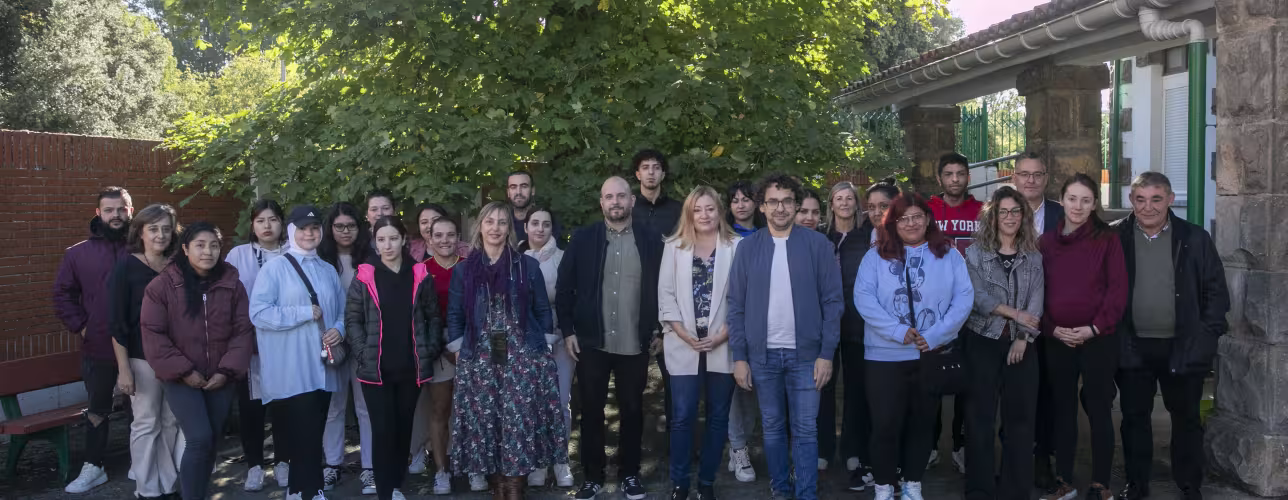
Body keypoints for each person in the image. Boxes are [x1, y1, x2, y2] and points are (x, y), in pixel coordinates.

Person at [1113, 172, 1229, 500]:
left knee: (1187, 419)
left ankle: (1189, 485)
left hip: (1184, 346)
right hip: (1132, 346)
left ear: (1170, 199)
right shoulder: (1114, 237)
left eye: (1156, 199)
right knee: (1134, 419)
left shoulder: (1194, 238)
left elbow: (1216, 294)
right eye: (1140, 199)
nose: (1148, 207)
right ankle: (1137, 484)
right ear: (1131, 201)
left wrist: (1204, 340)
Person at [727, 173, 842, 500]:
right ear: (762, 206)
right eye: (773, 201)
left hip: (807, 357)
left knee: (806, 431)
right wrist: (739, 356)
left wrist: (826, 353)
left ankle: (806, 494)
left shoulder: (818, 245)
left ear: (796, 204)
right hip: (762, 357)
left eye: (787, 201)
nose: (780, 208)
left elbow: (833, 302)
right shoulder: (748, 248)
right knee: (774, 431)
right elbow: (735, 305)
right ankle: (780, 490)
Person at [855, 192, 973, 500]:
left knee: (922, 424)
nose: (911, 223)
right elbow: (863, 298)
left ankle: (912, 483)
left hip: (929, 354)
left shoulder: (948, 254)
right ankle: (883, 486)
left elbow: (964, 299)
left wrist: (935, 335)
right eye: (903, 218)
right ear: (892, 222)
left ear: (928, 219)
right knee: (885, 425)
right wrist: (896, 330)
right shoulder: (875, 256)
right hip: (884, 355)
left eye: (917, 216)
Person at [447, 201, 567, 500]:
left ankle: (514, 487)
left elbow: (542, 309)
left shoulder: (527, 266)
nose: (496, 228)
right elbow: (454, 315)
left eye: (502, 222)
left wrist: (545, 347)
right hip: (480, 356)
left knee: (517, 420)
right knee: (487, 421)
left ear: (509, 229)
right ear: (480, 227)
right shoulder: (465, 270)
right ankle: (497, 484)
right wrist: (459, 349)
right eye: (490, 222)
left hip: (521, 356)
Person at [557, 177, 664, 500]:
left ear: (632, 201)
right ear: (601, 202)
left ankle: (630, 474)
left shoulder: (651, 240)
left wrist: (659, 327)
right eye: (609, 197)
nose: (615, 202)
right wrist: (568, 331)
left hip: (636, 341)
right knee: (591, 411)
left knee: (632, 410)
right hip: (592, 342)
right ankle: (592, 477)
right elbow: (564, 289)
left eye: (621, 196)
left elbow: (664, 288)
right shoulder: (583, 239)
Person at [140, 221, 254, 500]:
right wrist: (184, 371)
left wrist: (226, 371)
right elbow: (154, 334)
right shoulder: (162, 286)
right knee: (199, 438)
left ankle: (198, 493)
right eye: (200, 245)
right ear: (185, 249)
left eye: (214, 245)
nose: (208, 252)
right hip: (181, 378)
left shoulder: (232, 284)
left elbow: (242, 331)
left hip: (220, 377)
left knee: (211, 441)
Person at [1038, 174, 1128, 500]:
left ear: (1094, 205)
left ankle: (1101, 483)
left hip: (1098, 338)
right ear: (1061, 200)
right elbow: (1037, 293)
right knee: (1062, 411)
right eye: (1072, 198)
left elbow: (1117, 291)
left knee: (1099, 408)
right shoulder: (1045, 243)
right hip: (1057, 338)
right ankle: (1064, 481)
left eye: (1086, 200)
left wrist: (1093, 328)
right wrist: (1052, 328)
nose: (1078, 206)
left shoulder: (1108, 240)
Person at [250, 205, 348, 500]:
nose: (310, 233)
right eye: (303, 228)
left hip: (323, 365)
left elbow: (343, 311)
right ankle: (309, 490)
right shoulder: (275, 269)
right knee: (303, 431)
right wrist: (302, 313)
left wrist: (339, 330)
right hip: (291, 368)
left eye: (315, 228)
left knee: (314, 429)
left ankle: (299, 490)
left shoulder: (328, 269)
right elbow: (259, 313)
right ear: (292, 231)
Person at [346, 216, 444, 500]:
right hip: (376, 368)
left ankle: (398, 484)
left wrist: (431, 347)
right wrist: (363, 351)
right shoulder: (364, 274)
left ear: (403, 240)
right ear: (375, 243)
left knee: (403, 428)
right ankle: (385, 491)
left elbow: (432, 316)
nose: (387, 245)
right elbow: (353, 318)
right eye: (381, 239)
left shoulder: (419, 273)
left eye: (392, 238)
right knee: (383, 430)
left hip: (410, 367)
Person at [657, 186, 741, 500]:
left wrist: (724, 334)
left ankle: (706, 482)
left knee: (718, 415)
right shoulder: (674, 246)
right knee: (682, 415)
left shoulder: (737, 247)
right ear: (689, 214)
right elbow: (665, 294)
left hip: (723, 341)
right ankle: (679, 483)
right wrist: (681, 332)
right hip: (683, 343)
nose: (704, 215)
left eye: (710, 209)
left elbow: (743, 299)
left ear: (719, 211)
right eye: (698, 210)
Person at [962, 187, 1044, 500]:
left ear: (1023, 216)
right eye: (1003, 212)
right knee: (979, 417)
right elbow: (977, 297)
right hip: (982, 340)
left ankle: (1016, 488)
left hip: (1022, 345)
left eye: (1015, 211)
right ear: (993, 217)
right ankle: (980, 488)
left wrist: (1023, 337)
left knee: (1020, 420)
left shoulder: (1034, 257)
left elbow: (1037, 302)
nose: (1009, 217)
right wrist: (1015, 313)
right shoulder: (974, 253)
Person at [54, 186, 133, 494]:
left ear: (130, 210)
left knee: (140, 408)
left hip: (140, 346)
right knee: (98, 408)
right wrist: (83, 326)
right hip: (98, 346)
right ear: (98, 214)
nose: (116, 215)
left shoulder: (146, 248)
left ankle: (142, 461)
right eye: (109, 210)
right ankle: (94, 467)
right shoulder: (77, 254)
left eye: (121, 209)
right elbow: (62, 295)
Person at [109, 203, 184, 500]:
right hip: (140, 359)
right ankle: (146, 488)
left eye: (166, 229)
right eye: (153, 229)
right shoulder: (125, 267)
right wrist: (123, 369)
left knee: (170, 421)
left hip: (176, 358)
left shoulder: (179, 266)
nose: (160, 235)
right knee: (145, 423)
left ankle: (167, 485)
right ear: (140, 232)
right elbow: (116, 323)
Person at [224, 199, 290, 491]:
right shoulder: (238, 255)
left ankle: (284, 462)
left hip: (287, 343)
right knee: (251, 408)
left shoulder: (294, 253)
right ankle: (254, 466)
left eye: (273, 219)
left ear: (282, 223)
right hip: (248, 344)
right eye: (261, 220)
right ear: (252, 224)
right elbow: (223, 297)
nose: (267, 226)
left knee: (284, 407)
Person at [406, 215, 473, 494]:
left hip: (469, 347)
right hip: (437, 349)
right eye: (439, 235)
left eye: (450, 235)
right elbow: (416, 316)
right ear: (429, 239)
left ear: (458, 239)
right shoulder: (420, 270)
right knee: (440, 409)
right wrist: (440, 346)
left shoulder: (470, 268)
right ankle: (442, 471)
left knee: (471, 411)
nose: (445, 240)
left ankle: (473, 469)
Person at [926, 152, 981, 473]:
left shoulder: (982, 211)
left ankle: (960, 442)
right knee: (931, 377)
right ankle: (930, 443)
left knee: (968, 380)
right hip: (936, 309)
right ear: (940, 178)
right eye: (949, 174)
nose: (955, 179)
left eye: (961, 173)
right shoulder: (929, 211)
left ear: (968, 177)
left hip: (975, 308)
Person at [1012, 153, 1064, 489]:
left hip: (1053, 320)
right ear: (1014, 177)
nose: (1030, 180)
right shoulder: (999, 211)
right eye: (1024, 174)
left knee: (1048, 395)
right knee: (1014, 394)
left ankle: (1043, 460)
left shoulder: (1063, 214)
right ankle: (1015, 461)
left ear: (1046, 178)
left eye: (1037, 174)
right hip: (1012, 318)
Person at [317, 202, 376, 493]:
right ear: (330, 229)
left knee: (366, 407)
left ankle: (370, 468)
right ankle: (332, 465)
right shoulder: (320, 260)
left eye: (351, 225)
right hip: (332, 342)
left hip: (365, 341)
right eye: (339, 226)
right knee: (333, 406)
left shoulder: (370, 258)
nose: (345, 231)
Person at [823, 181, 877, 491]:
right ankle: (824, 451)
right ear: (831, 204)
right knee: (824, 388)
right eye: (838, 199)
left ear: (857, 204)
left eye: (849, 199)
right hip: (829, 324)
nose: (844, 203)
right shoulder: (821, 236)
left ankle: (854, 452)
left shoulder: (867, 235)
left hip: (858, 324)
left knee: (857, 390)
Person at [521, 207, 576, 489]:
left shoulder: (563, 259)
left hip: (559, 336)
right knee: (531, 405)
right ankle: (538, 462)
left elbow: (569, 300)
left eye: (546, 224)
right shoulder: (515, 260)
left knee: (560, 402)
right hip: (526, 343)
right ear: (526, 227)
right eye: (535, 223)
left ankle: (561, 460)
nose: (540, 229)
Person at [630, 149, 683, 435]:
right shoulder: (626, 210)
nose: (651, 172)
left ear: (663, 173)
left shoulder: (678, 211)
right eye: (645, 167)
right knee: (631, 389)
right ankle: (631, 456)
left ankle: (679, 452)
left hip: (671, 306)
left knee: (676, 386)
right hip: (633, 307)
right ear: (637, 174)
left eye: (656, 167)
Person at [723, 179, 761, 484]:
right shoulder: (720, 237)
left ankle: (740, 443)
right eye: (734, 199)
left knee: (751, 391)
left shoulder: (766, 236)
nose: (740, 204)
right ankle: (737, 448)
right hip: (726, 322)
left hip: (760, 323)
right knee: (734, 390)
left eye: (746, 198)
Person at [507, 171, 563, 243]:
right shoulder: (502, 221)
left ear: (532, 190)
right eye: (513, 187)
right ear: (508, 192)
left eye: (524, 186)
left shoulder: (547, 221)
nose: (518, 192)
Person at [863, 179, 901, 245]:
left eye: (883, 206)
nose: (877, 213)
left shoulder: (911, 239)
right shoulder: (860, 239)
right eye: (871, 207)